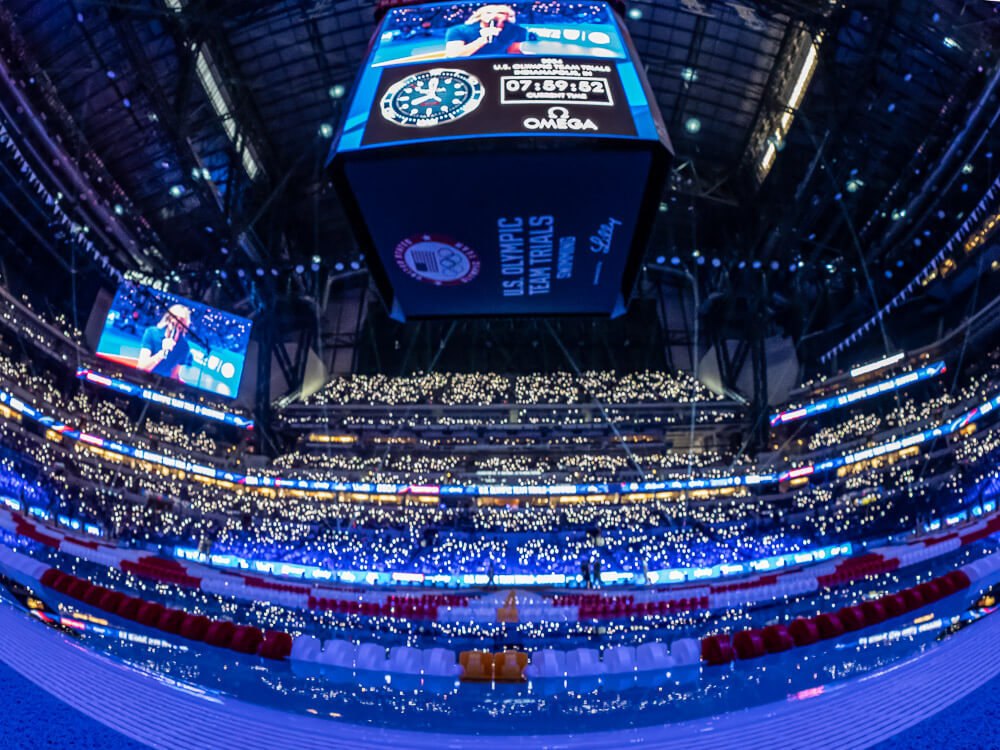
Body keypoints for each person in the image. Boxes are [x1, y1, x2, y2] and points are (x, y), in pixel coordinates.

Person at [445, 4, 529, 57]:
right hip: (468, 66)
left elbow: (513, 51)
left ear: (507, 16)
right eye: (488, 12)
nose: (494, 15)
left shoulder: (517, 30)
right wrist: (481, 40)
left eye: (500, 13)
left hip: (497, 66)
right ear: (480, 15)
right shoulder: (457, 30)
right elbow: (454, 56)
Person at [137, 303, 193, 381]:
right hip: (144, 378)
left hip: (163, 383)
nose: (176, 322)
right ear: (168, 318)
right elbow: (142, 366)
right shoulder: (152, 332)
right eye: (174, 317)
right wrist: (161, 354)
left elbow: (174, 374)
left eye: (181, 320)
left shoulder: (184, 347)